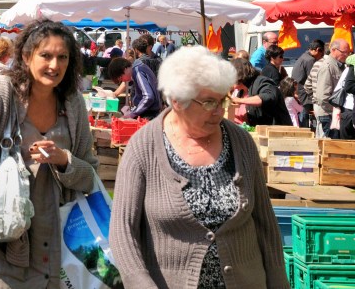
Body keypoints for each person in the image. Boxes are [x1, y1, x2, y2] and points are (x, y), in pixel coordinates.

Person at [110, 46, 288, 288]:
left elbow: (266, 225)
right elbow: (123, 232)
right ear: (177, 101)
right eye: (208, 103)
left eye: (222, 100)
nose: (219, 111)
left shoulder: (241, 142)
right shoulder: (144, 147)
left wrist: (278, 282)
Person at [0, 21, 97, 289]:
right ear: (26, 56)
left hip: (53, 242)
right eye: (45, 55)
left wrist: (63, 160)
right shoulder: (4, 90)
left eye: (63, 57)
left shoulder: (72, 103)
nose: (54, 65)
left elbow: (89, 173)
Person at [232, 45, 293, 126]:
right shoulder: (242, 91)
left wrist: (239, 101)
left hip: (277, 133)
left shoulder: (262, 82)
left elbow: (267, 97)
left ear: (239, 76)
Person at [313, 39, 351, 138]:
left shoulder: (339, 65)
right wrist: (336, 111)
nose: (347, 55)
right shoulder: (327, 67)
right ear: (334, 50)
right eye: (344, 52)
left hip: (333, 115)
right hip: (328, 115)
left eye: (349, 52)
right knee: (329, 147)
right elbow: (323, 97)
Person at [125, 37, 162, 119]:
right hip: (156, 103)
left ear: (136, 50)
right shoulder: (158, 60)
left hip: (145, 109)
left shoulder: (138, 64)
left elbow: (148, 95)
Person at [293, 39, 324, 129]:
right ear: (318, 50)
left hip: (299, 91)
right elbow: (313, 79)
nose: (321, 57)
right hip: (304, 94)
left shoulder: (304, 56)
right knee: (305, 119)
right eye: (321, 54)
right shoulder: (310, 60)